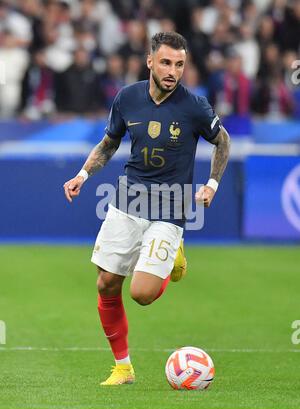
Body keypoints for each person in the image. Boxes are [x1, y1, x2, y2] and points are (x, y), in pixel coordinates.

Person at [63, 32, 230, 386]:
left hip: (169, 209)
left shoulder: (195, 106)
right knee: (107, 283)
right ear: (150, 60)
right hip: (127, 201)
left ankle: (174, 257)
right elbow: (109, 142)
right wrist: (83, 174)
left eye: (180, 64)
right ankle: (123, 368)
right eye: (166, 62)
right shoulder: (127, 98)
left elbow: (223, 140)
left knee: (141, 294)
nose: (173, 71)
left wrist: (212, 183)